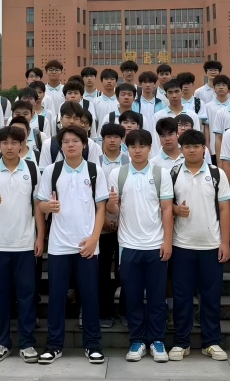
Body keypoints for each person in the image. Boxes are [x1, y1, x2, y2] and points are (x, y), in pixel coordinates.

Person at [35, 125, 107, 365]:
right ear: (61, 146)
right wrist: (48, 207)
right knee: (56, 297)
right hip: (59, 245)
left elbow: (101, 208)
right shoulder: (52, 171)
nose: (70, 145)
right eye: (65, 141)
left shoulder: (95, 171)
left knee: (90, 296)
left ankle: (93, 345)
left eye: (75, 140)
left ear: (84, 144)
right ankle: (54, 346)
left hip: (87, 244)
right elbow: (40, 204)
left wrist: (94, 238)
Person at [106, 129, 173, 363]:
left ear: (149, 148)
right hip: (128, 245)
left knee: (156, 297)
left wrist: (167, 241)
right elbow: (113, 211)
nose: (137, 150)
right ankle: (137, 341)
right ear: (127, 148)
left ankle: (157, 341)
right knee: (132, 297)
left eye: (142, 146)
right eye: (133, 146)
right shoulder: (118, 173)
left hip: (155, 244)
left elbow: (167, 209)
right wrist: (111, 204)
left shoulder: (161, 174)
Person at [0, 126, 43, 363]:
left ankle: (27, 343)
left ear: (22, 144)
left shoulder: (32, 168)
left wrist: (40, 237)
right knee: (0, 295)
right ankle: (1, 342)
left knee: (27, 295)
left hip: (25, 243)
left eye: (14, 142)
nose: (9, 147)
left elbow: (38, 206)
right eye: (4, 143)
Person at [168, 129, 230, 362]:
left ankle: (211, 342)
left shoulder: (217, 174)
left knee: (211, 297)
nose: (192, 150)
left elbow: (225, 209)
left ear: (204, 149)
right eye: (187, 147)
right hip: (181, 245)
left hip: (211, 245)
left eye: (196, 146)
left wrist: (225, 242)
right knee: (181, 297)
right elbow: (165, 206)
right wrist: (177, 210)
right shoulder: (173, 173)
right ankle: (181, 342)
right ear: (181, 149)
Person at [97, 123, 127, 327]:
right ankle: (104, 312)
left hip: (126, 226)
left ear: (122, 140)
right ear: (103, 139)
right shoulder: (95, 163)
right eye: (108, 137)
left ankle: (125, 311)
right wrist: (104, 221)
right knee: (102, 271)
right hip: (101, 226)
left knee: (124, 271)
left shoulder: (129, 161)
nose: (112, 140)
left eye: (116, 137)